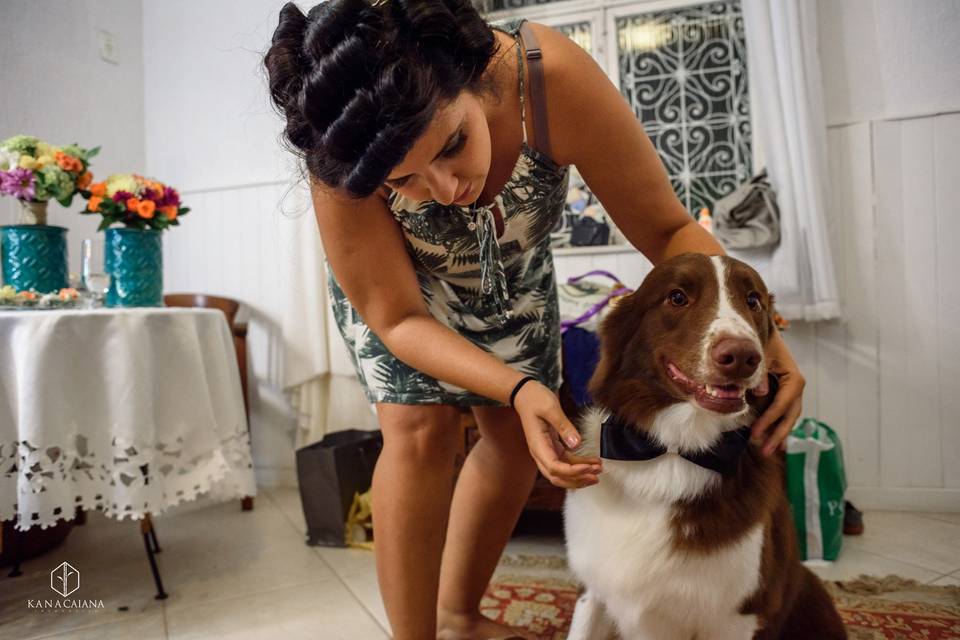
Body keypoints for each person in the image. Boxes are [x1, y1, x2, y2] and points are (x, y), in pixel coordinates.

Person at [264, 2, 806, 638]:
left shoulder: (547, 79)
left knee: (518, 442)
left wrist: (761, 336)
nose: (446, 188)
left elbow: (667, 229)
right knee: (418, 433)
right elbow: (398, 317)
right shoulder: (341, 144)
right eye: (403, 180)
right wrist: (519, 386)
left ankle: (460, 617)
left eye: (455, 143)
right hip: (405, 295)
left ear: (473, 75)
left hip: (512, 276)